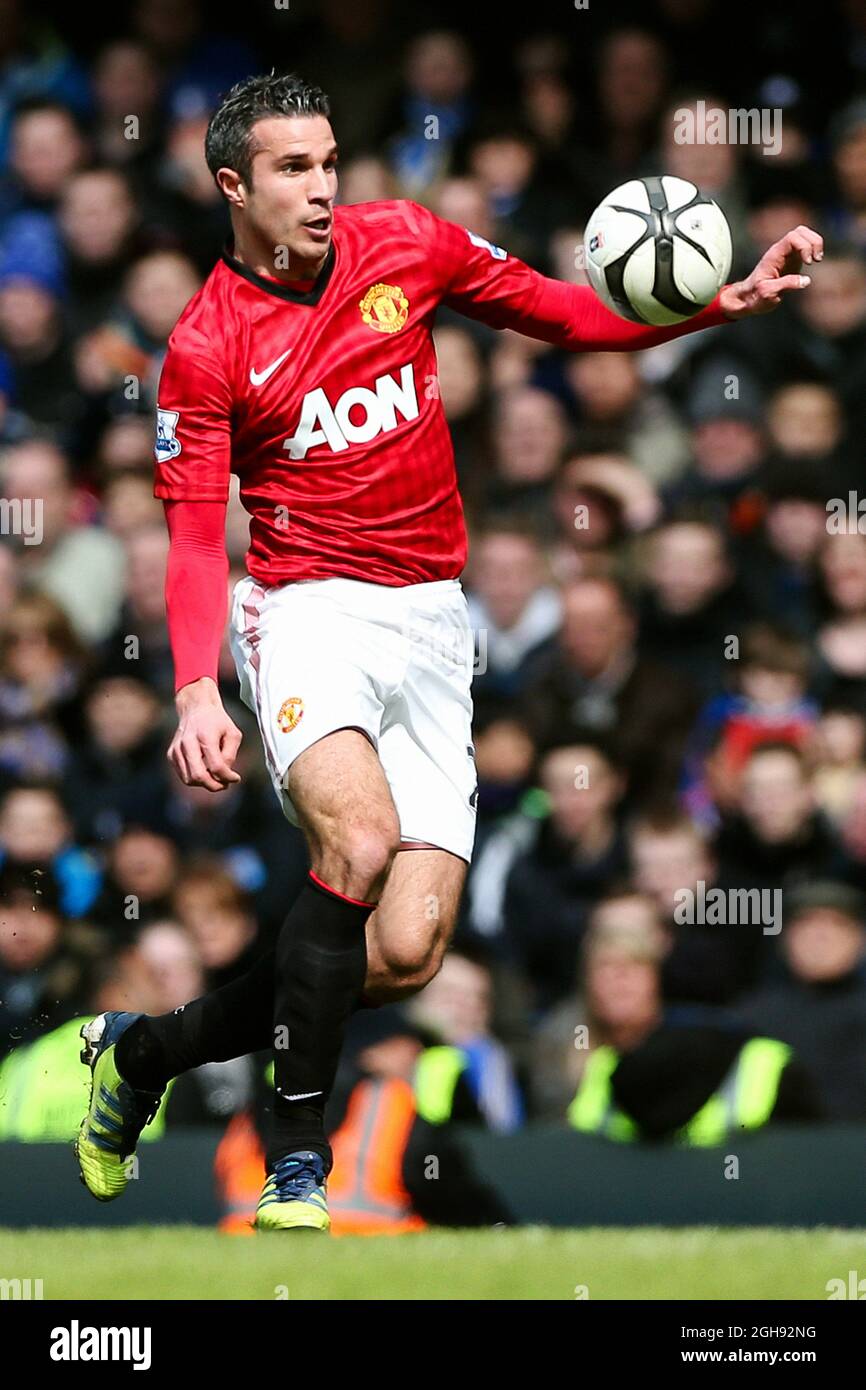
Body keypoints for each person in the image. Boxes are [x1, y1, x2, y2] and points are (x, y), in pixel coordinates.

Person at [73, 70, 823, 1232]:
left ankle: (144, 1055)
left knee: (409, 949)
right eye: (290, 169)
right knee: (358, 840)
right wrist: (190, 688)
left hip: (433, 620)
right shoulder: (205, 343)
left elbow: (557, 309)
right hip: (306, 605)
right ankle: (296, 1156)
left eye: (327, 162)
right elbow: (186, 540)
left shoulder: (405, 243)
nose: (321, 188)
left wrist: (713, 306)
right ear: (232, 184)